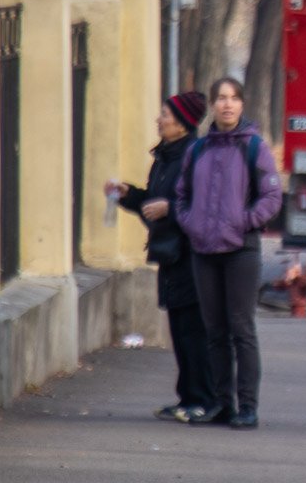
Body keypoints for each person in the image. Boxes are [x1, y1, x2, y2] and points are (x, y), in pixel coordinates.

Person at [176, 77, 282, 429]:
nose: (227, 104)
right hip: (204, 249)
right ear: (212, 105)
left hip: (242, 250)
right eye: (221, 98)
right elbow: (181, 196)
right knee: (215, 331)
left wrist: (245, 221)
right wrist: (191, 222)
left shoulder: (253, 147)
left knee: (241, 328)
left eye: (234, 98)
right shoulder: (198, 150)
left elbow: (271, 195)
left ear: (241, 104)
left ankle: (247, 406)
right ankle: (223, 404)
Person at [107, 91, 215, 423]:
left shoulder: (196, 156)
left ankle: (205, 400)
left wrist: (170, 208)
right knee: (180, 331)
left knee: (195, 332)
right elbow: (153, 205)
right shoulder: (165, 157)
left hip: (192, 255)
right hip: (169, 254)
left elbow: (207, 204)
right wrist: (130, 195)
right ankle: (187, 398)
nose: (159, 119)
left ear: (183, 122)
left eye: (165, 115)